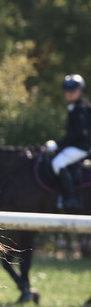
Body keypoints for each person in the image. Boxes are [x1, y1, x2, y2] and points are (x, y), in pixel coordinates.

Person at [51, 73, 90, 211]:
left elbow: (77, 133)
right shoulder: (74, 107)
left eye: (73, 91)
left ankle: (72, 199)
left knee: (57, 163)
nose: (69, 94)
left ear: (80, 91)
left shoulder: (81, 108)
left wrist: (58, 144)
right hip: (75, 146)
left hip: (81, 147)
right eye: (67, 91)